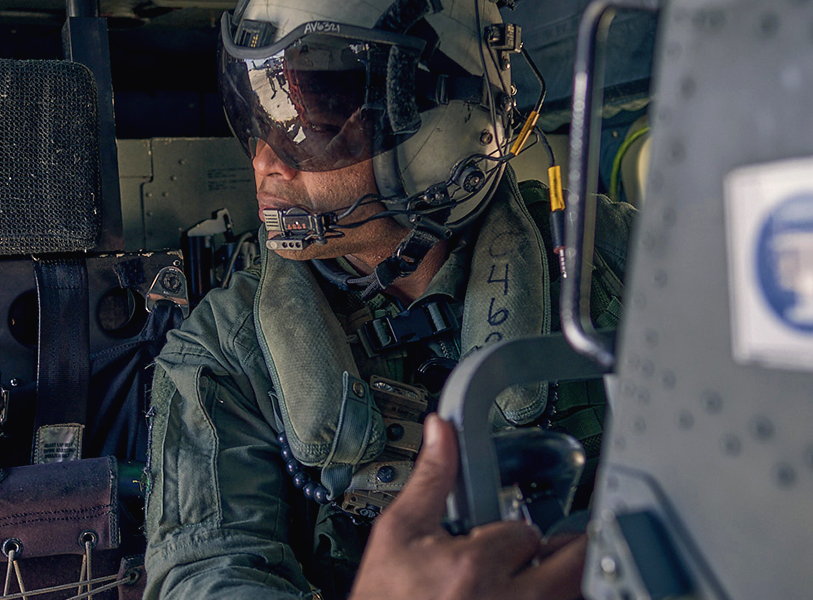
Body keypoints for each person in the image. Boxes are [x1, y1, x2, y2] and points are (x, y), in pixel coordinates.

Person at [143, 0, 635, 598]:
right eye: (261, 114)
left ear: (438, 130)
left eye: (313, 125)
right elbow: (212, 574)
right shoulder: (219, 354)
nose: (266, 162)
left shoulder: (622, 260)